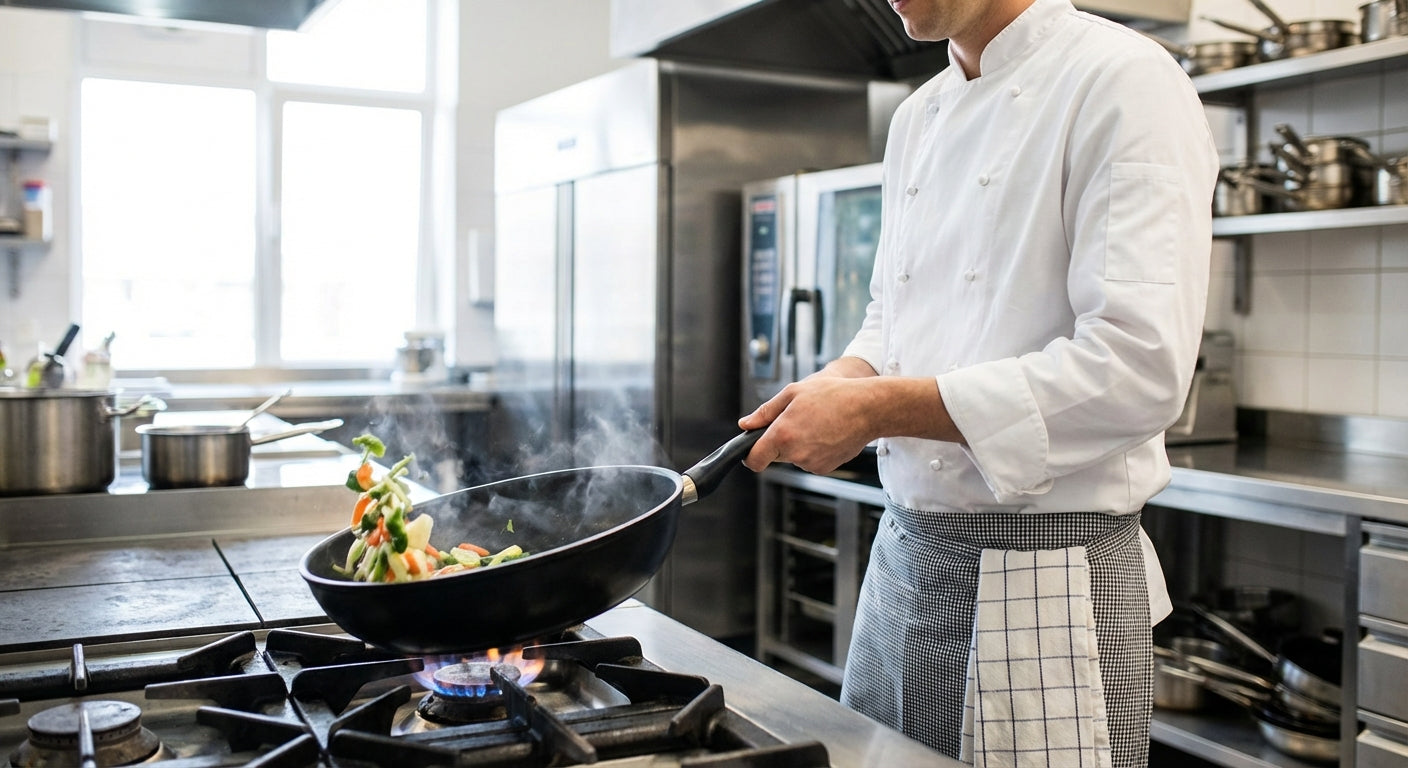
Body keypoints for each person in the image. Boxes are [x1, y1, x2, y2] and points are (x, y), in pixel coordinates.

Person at [738, 0, 1218, 765]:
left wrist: (875, 408)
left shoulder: (1124, 81)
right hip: (904, 565)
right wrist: (842, 379)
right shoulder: (917, 115)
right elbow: (890, 318)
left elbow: (1138, 367)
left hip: (1044, 588)